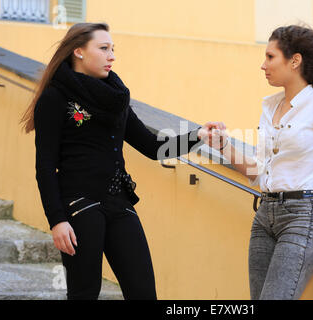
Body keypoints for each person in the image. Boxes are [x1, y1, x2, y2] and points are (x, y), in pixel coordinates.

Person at [20, 22, 223, 300]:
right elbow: (45, 166)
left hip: (119, 203)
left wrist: (198, 135)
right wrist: (56, 220)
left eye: (113, 49)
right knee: (84, 293)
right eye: (103, 49)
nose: (112, 56)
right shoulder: (55, 98)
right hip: (79, 207)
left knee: (143, 292)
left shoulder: (115, 99)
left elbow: (152, 147)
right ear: (78, 51)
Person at [204, 25, 313, 300]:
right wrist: (224, 145)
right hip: (265, 215)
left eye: (270, 57)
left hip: (304, 215)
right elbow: (260, 173)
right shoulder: (271, 107)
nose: (263, 65)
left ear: (295, 60)